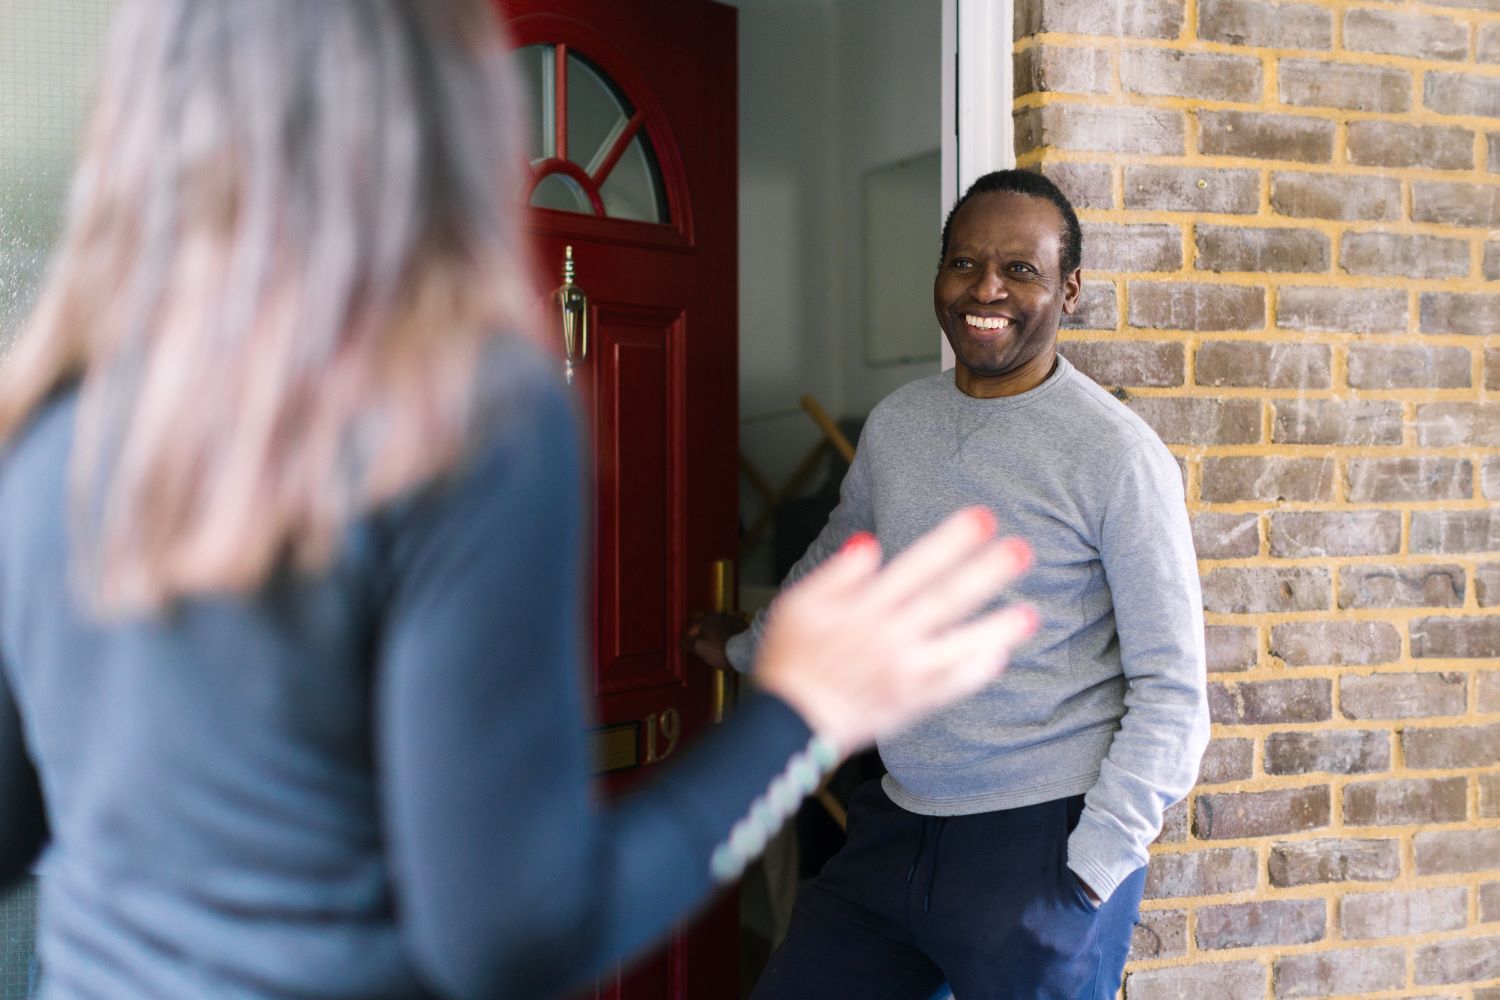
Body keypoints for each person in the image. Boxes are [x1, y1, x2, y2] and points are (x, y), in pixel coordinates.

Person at [0, 5, 1042, 999]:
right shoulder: (454, 419)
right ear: (440, 104)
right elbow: (511, 940)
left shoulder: (52, 422)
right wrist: (805, 712)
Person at [688, 169, 1210, 1000]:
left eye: (1021, 270)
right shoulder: (900, 423)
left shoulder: (1115, 455)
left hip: (1039, 846)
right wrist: (750, 645)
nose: (987, 289)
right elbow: (840, 560)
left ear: (1069, 290)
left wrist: (1090, 872)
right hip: (894, 822)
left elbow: (1174, 690)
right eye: (964, 263)